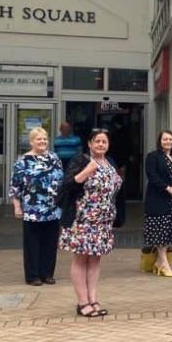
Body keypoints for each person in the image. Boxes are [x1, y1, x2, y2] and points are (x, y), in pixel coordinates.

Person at [58, 129, 122, 317]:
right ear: (89, 143)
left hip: (103, 220)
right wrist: (86, 172)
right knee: (81, 258)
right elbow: (68, 185)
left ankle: (93, 299)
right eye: (97, 141)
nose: (101, 145)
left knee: (95, 258)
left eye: (104, 142)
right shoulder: (80, 160)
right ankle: (82, 302)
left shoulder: (110, 162)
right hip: (83, 218)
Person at [9, 127, 64, 286]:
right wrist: (17, 206)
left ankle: (47, 273)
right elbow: (15, 186)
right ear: (32, 141)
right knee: (32, 243)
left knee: (50, 242)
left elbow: (60, 180)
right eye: (39, 139)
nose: (42, 142)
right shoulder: (22, 161)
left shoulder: (54, 158)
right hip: (32, 209)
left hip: (53, 209)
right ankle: (33, 275)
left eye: (45, 139)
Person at [143, 130, 172, 277]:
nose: (168, 142)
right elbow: (152, 176)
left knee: (168, 234)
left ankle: (159, 263)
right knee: (160, 234)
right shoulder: (153, 157)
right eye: (165, 139)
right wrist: (168, 188)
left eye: (170, 139)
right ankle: (164, 264)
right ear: (160, 141)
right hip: (158, 200)